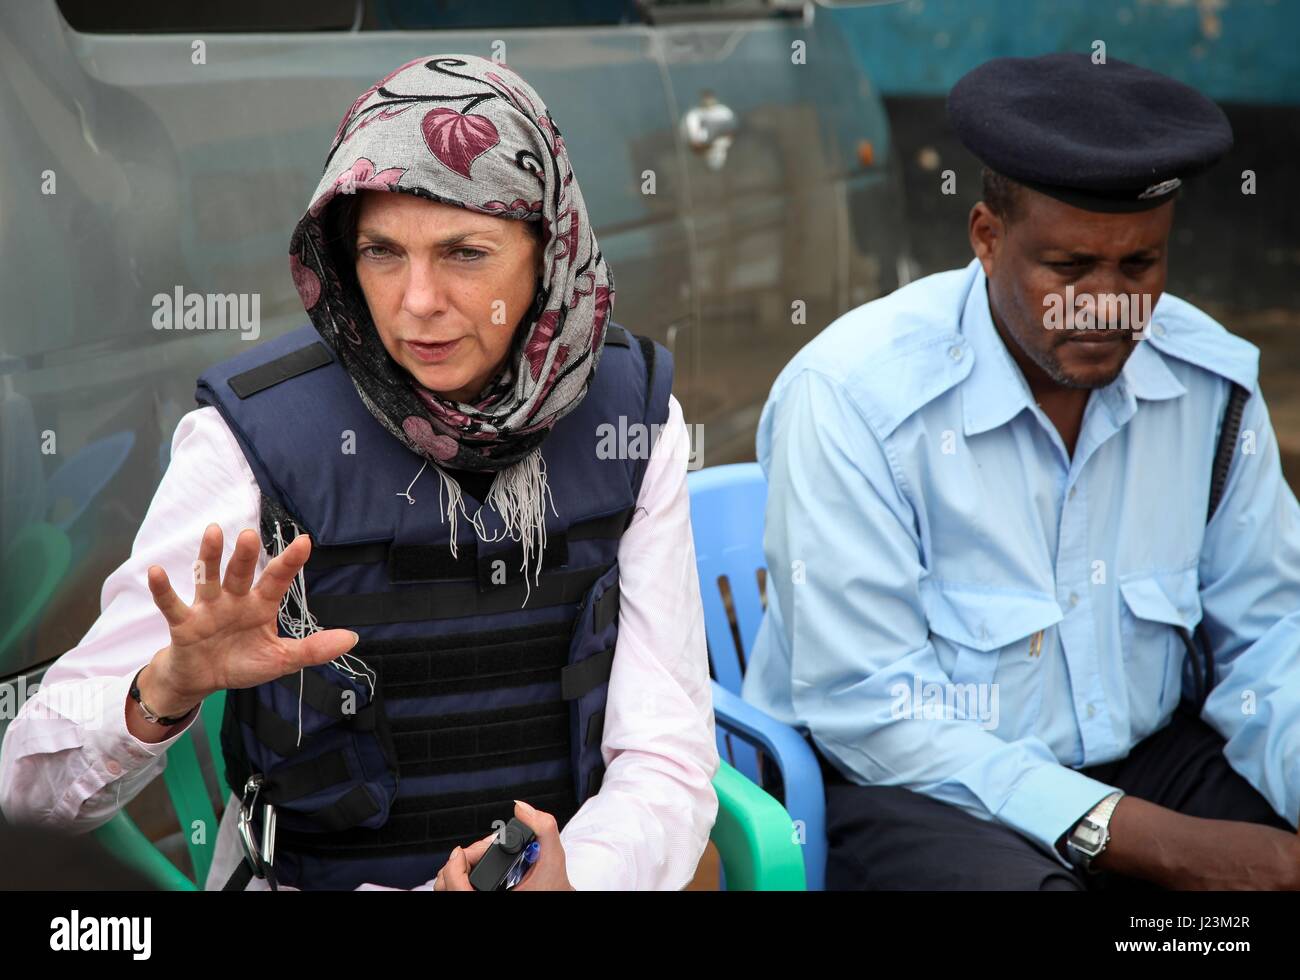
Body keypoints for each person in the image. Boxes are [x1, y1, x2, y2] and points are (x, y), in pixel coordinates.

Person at [0, 54, 719, 891]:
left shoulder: (629, 415)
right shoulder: (255, 439)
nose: (417, 301)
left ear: (548, 249)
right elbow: (29, 796)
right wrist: (162, 690)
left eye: (464, 253)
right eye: (382, 252)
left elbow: (665, 753)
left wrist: (575, 877)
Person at [744, 52, 1300, 889]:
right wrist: (1159, 845)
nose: (1107, 304)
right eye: (1069, 269)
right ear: (986, 237)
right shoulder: (853, 399)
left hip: (1148, 756)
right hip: (914, 788)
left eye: (1140, 267)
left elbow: (1268, 639)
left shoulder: (1208, 388)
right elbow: (875, 713)